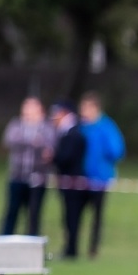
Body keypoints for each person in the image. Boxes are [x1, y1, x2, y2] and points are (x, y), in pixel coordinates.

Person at [76, 92, 126, 258]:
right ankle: (73, 246)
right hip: (79, 178)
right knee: (75, 213)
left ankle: (93, 249)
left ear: (95, 108)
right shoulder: (81, 127)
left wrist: (103, 160)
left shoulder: (106, 126)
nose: (83, 111)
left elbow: (117, 150)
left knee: (97, 215)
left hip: (100, 179)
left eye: (87, 107)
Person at [0, 97, 54, 236]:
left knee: (34, 214)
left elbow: (50, 147)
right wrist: (33, 142)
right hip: (17, 176)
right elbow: (10, 140)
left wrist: (36, 144)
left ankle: (32, 240)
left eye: (31, 109)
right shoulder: (16, 125)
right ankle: (5, 239)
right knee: (12, 210)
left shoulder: (47, 127)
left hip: (38, 178)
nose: (28, 112)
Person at [51, 101, 90, 259]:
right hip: (67, 182)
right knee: (68, 217)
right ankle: (69, 248)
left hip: (74, 183)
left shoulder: (73, 133)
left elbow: (67, 157)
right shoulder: (67, 132)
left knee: (72, 217)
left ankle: (71, 249)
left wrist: (52, 157)